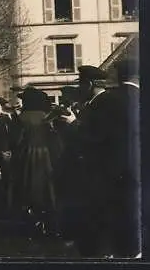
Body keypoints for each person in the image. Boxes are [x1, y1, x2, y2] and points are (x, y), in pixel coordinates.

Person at [60, 65, 114, 257]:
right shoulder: (93, 102)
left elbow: (98, 137)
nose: (79, 89)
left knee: (97, 218)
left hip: (98, 170)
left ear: (89, 84)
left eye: (81, 84)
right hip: (88, 169)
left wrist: (73, 124)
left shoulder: (105, 103)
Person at [103, 58, 141, 258]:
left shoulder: (107, 99)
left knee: (119, 209)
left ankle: (123, 250)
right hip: (140, 165)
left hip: (113, 166)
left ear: (118, 75)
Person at [10, 87, 57, 233]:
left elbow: (16, 140)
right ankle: (48, 220)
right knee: (46, 188)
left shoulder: (22, 117)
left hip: (26, 155)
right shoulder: (46, 116)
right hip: (46, 155)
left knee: (27, 186)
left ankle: (32, 219)